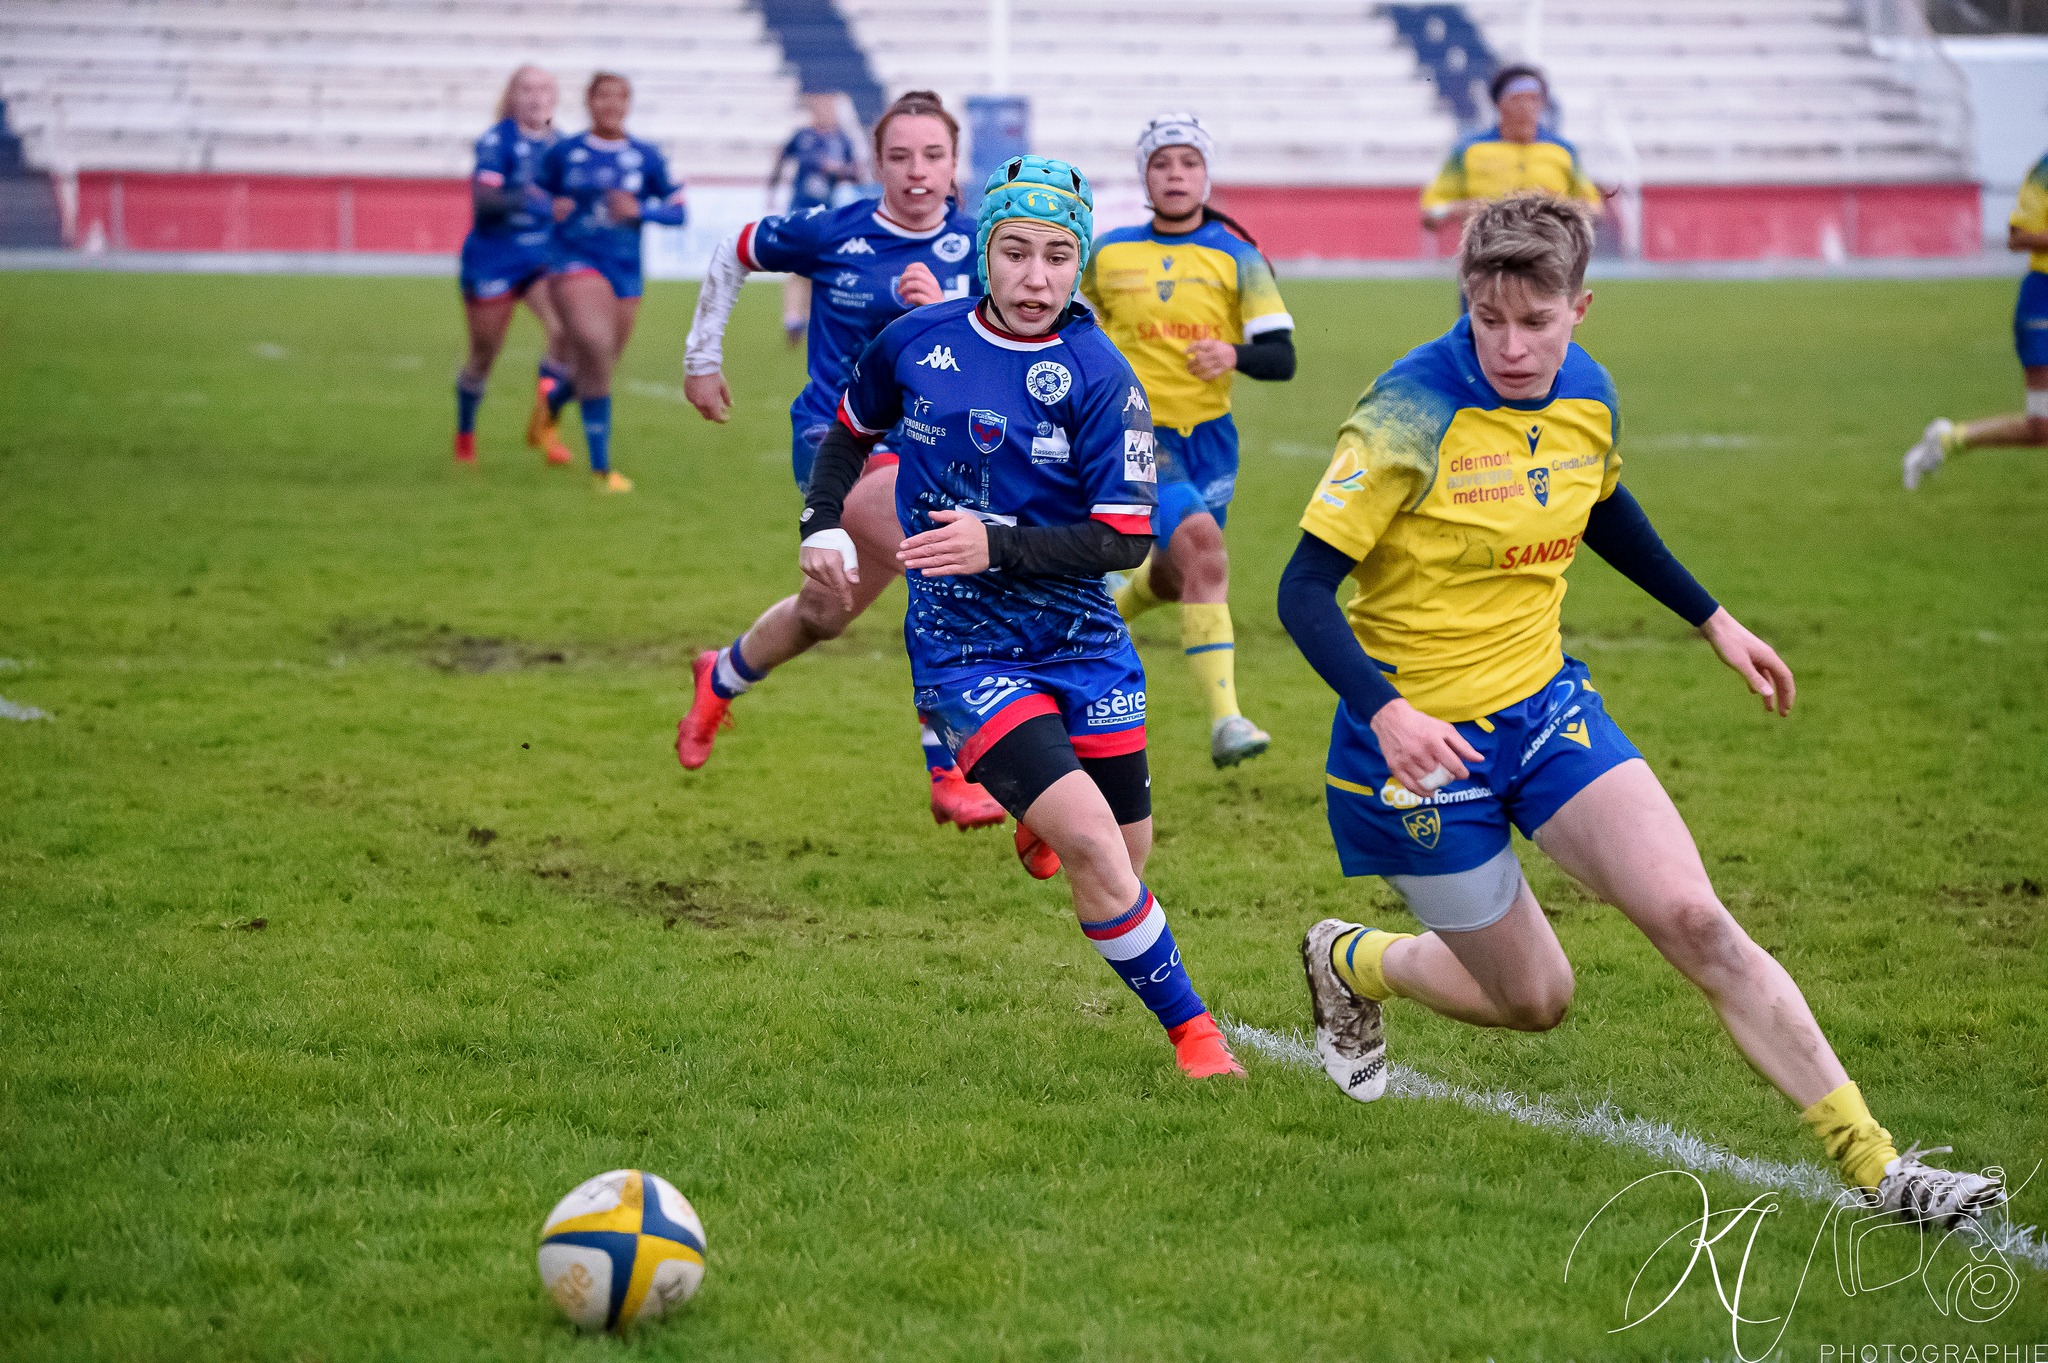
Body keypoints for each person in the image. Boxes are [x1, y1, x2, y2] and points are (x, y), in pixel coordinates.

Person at [1278, 192, 2003, 1229]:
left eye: (1537, 322)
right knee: (1535, 1000)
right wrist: (1385, 710)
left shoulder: (1587, 394)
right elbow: (1299, 590)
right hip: (1416, 757)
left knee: (1694, 918)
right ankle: (1348, 958)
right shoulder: (1405, 412)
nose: (1513, 346)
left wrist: (1710, 618)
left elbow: (1599, 502)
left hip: (1543, 713)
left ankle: (1879, 1167)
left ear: (1581, 307)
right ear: (1466, 301)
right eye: (1489, 320)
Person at [797, 154, 1242, 1078]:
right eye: (1014, 253)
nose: (1034, 277)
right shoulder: (916, 340)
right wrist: (822, 522)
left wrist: (994, 543)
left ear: (1076, 263)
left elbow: (1125, 542)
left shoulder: (1101, 375)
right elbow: (849, 427)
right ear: (985, 255)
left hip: (1084, 644)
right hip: (965, 647)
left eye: (1053, 256)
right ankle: (1197, 1035)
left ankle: (1042, 814)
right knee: (1092, 844)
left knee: (1123, 851)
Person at [678, 91, 1006, 834]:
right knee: (943, 570)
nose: (917, 172)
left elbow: (1004, 361)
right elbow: (734, 248)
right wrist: (702, 357)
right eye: (899, 156)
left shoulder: (984, 250)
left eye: (932, 156)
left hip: (939, 456)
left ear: (956, 164)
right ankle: (956, 771)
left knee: (822, 614)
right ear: (876, 162)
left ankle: (720, 674)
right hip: (843, 444)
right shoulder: (836, 232)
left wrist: (948, 311)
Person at [1084, 114, 1296, 769]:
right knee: (1206, 546)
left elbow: (1281, 357)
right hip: (1133, 432)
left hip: (1210, 440)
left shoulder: (1239, 256)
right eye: (1162, 164)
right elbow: (1068, 325)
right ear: (1144, 176)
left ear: (1206, 174)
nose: (1176, 175)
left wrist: (1232, 353)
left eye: (1188, 163)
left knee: (1184, 575)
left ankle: (1114, 605)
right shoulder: (1109, 253)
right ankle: (1227, 720)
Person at [535, 71, 687, 493]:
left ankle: (549, 406)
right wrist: (552, 206)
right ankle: (602, 470)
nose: (611, 105)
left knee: (598, 366)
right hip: (573, 261)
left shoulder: (645, 156)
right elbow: (531, 194)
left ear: (628, 103)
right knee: (593, 343)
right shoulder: (566, 152)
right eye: (603, 96)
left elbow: (678, 210)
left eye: (619, 97)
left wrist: (641, 210)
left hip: (625, 271)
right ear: (588, 101)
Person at [1903, 147, 2048, 488]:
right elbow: (2017, 238)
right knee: (2041, 427)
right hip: (2043, 301)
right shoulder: (2044, 172)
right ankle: (1949, 439)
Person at [452, 65, 574, 468]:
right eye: (527, 89)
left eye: (543, 89)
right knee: (484, 355)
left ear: (554, 97)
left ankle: (545, 428)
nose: (536, 97)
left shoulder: (562, 145)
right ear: (513, 96)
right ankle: (466, 433)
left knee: (564, 332)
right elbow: (484, 206)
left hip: (541, 259)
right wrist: (536, 200)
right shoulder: (496, 141)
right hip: (494, 259)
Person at [1420, 65, 1602, 232]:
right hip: (1488, 254)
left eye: (1534, 99)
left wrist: (1557, 207)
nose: (1527, 107)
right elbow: (1431, 210)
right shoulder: (1469, 150)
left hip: (1550, 254)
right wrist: (1461, 209)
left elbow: (1594, 208)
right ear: (1498, 104)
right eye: (1517, 99)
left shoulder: (1562, 150)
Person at [769, 93, 864, 347]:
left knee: (821, 267)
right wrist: (772, 189)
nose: (826, 113)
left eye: (830, 109)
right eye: (822, 109)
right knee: (798, 266)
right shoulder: (802, 136)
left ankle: (809, 321)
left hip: (828, 213)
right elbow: (782, 159)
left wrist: (839, 170)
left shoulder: (842, 139)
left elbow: (857, 173)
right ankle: (792, 319)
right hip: (799, 210)